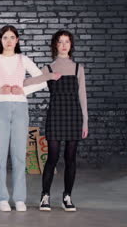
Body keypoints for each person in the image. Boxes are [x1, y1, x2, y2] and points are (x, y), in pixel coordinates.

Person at [0, 25, 60, 212]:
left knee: (20, 155)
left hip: (20, 107)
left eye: (12, 37)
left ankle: (20, 198)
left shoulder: (23, 59)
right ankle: (1, 198)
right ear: (0, 40)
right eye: (5, 37)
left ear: (17, 40)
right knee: (0, 156)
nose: (9, 41)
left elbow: (42, 80)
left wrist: (24, 89)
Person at [24, 30, 88, 212]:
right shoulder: (49, 68)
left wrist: (85, 122)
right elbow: (26, 82)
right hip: (55, 115)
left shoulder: (78, 68)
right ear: (55, 45)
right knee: (52, 157)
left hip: (74, 116)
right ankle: (45, 196)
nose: (64, 45)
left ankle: (67, 197)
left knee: (70, 159)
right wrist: (49, 77)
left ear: (71, 45)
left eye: (67, 41)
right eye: (60, 42)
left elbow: (82, 96)